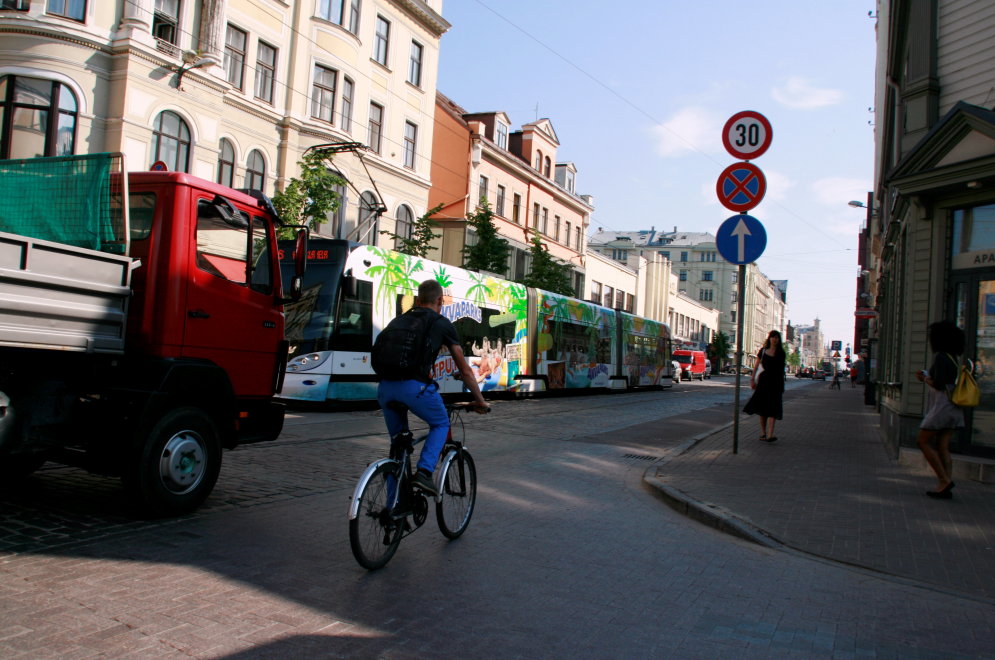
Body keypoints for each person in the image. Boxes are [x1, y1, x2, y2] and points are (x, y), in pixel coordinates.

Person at [377, 280, 490, 496]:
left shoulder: (398, 320)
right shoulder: (441, 322)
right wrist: (480, 400)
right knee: (440, 423)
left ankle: (394, 508)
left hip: (385, 388)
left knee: (397, 446)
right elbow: (466, 370)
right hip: (414, 389)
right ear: (440, 300)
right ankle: (424, 472)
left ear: (418, 301)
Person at [914, 320, 965, 500]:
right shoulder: (954, 358)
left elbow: (939, 384)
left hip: (942, 406)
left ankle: (944, 480)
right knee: (943, 446)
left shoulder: (941, 357)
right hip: (954, 407)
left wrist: (924, 379)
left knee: (922, 441)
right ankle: (945, 485)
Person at [743, 330, 786, 442]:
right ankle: (763, 433)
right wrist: (752, 380)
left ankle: (770, 434)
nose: (774, 339)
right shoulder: (763, 351)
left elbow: (781, 370)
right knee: (763, 409)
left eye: (776, 337)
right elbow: (756, 367)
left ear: (779, 339)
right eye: (772, 337)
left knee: (773, 409)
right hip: (763, 383)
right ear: (769, 338)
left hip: (776, 383)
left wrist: (782, 385)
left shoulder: (781, 353)